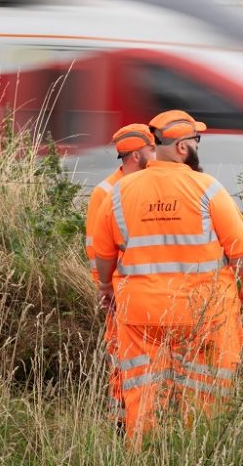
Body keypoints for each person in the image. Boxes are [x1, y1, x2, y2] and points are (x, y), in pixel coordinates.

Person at [92, 109, 243, 443]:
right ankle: (194, 447)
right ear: (183, 148)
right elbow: (239, 250)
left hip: (141, 314)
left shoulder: (119, 192)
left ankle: (142, 451)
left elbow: (103, 254)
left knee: (142, 390)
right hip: (203, 313)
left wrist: (104, 287)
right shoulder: (208, 189)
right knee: (204, 388)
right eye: (196, 141)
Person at [84, 123, 156, 426]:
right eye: (153, 149)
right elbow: (97, 251)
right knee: (122, 357)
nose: (157, 154)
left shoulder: (142, 187)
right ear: (138, 155)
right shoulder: (107, 193)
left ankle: (140, 417)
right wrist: (108, 290)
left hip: (145, 291)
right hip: (121, 293)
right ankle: (121, 420)